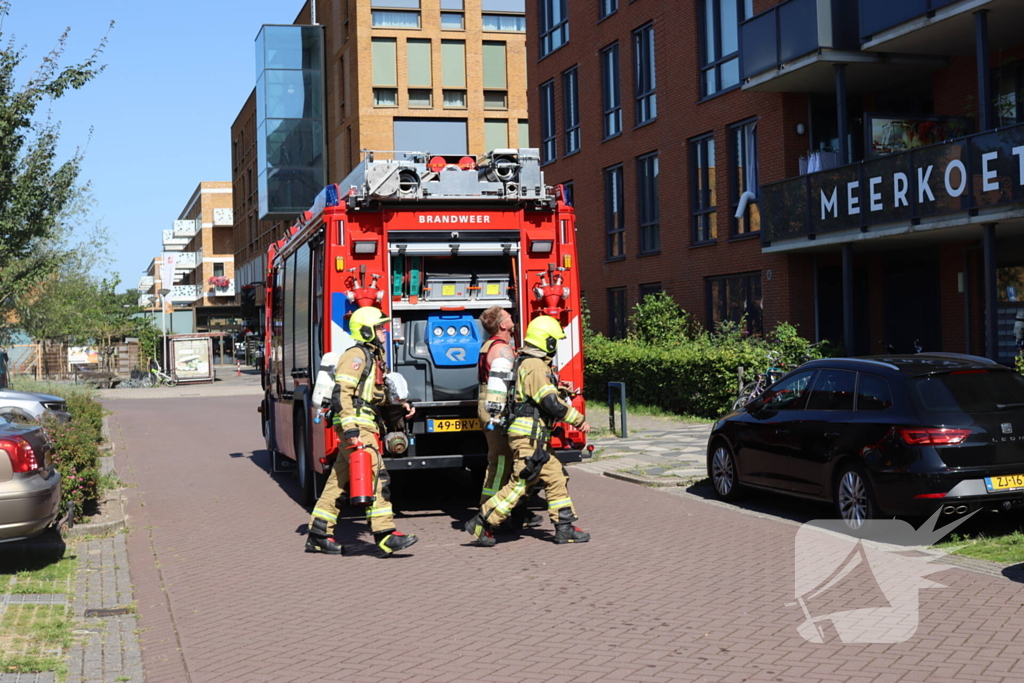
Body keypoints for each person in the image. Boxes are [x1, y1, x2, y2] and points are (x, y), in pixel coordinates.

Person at [465, 315, 591, 546]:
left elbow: (536, 396)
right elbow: (548, 402)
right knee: (522, 482)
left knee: (556, 476)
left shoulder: (526, 362)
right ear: (547, 341)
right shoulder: (534, 365)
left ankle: (564, 527)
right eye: (554, 340)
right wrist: (578, 419)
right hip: (528, 437)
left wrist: (560, 390)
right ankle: (483, 522)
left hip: (535, 437)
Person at [306, 306, 419, 557]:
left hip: (365, 423)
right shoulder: (355, 356)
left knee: (338, 481)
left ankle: (318, 534)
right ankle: (384, 533)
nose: (384, 331)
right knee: (376, 475)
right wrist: (350, 430)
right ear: (366, 331)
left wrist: (402, 405)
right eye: (379, 327)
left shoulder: (373, 356)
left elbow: (374, 394)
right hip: (357, 425)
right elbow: (342, 394)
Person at [476, 307, 543, 530]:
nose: (512, 318)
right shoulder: (502, 349)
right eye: (508, 316)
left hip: (490, 404)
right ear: (502, 325)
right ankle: (490, 513)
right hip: (498, 407)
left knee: (509, 462)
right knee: (501, 463)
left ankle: (515, 512)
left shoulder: (489, 345)